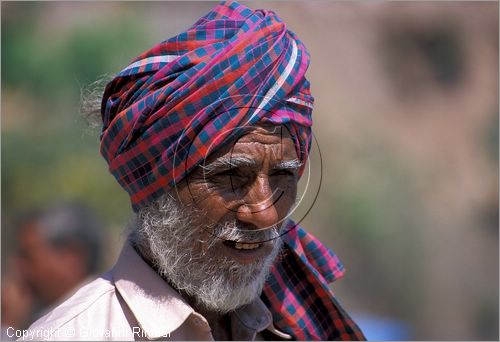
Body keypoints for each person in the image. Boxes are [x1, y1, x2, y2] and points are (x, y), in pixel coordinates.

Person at [23, 1, 365, 340]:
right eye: (231, 177)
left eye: (282, 177)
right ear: (158, 189)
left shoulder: (293, 328)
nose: (265, 213)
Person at [2, 201, 103, 340]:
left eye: (27, 256)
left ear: (71, 258)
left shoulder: (79, 325)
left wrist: (8, 327)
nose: (17, 267)